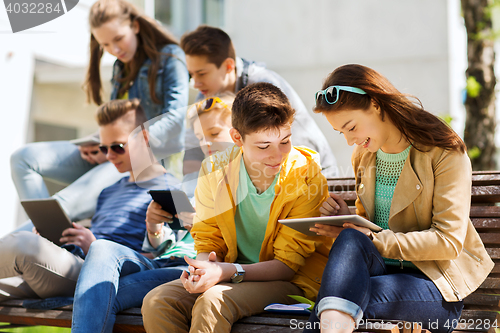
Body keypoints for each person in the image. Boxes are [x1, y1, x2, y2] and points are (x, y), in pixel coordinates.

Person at [304, 64, 494, 333]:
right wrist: (347, 220)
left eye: (351, 127)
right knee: (344, 271)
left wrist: (373, 239)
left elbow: (448, 241)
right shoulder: (364, 155)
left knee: (334, 304)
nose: (349, 141)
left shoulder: (442, 151)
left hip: (433, 287)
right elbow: (370, 230)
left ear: (375, 105)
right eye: (341, 133)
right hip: (380, 274)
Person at [141, 82, 333, 333]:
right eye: (264, 146)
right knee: (157, 302)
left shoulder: (306, 175)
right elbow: (208, 241)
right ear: (237, 138)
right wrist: (203, 270)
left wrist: (223, 271)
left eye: (285, 141)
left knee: (213, 302)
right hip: (229, 272)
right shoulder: (214, 169)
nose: (278, 155)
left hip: (292, 283)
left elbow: (287, 266)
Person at [10, 0, 189, 226]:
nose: (114, 50)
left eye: (118, 39)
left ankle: (32, 239)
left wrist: (123, 145)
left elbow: (175, 120)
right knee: (23, 158)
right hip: (108, 153)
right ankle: (43, 237)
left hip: (139, 163)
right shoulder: (120, 67)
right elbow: (115, 122)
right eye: (105, 45)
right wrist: (98, 143)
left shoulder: (170, 58)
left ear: (135, 26)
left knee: (63, 203)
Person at [71, 94, 235, 333]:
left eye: (213, 135)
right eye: (200, 138)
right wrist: (154, 227)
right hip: (163, 262)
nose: (205, 145)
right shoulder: (202, 182)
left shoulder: (240, 186)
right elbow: (162, 243)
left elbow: (223, 248)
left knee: (102, 285)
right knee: (102, 261)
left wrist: (198, 225)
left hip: (186, 266)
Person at [0, 99, 180, 303]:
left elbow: (165, 261)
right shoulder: (108, 191)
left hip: (103, 277)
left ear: (144, 137)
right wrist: (58, 237)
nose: (110, 156)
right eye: (104, 149)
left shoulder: (171, 191)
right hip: (72, 267)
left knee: (25, 243)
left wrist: (95, 246)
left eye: (118, 147)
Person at [179, 25, 338, 178]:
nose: (195, 82)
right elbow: (193, 152)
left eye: (202, 73)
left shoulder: (264, 86)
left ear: (228, 66)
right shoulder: (206, 96)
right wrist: (188, 198)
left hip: (313, 176)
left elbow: (287, 146)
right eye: (191, 75)